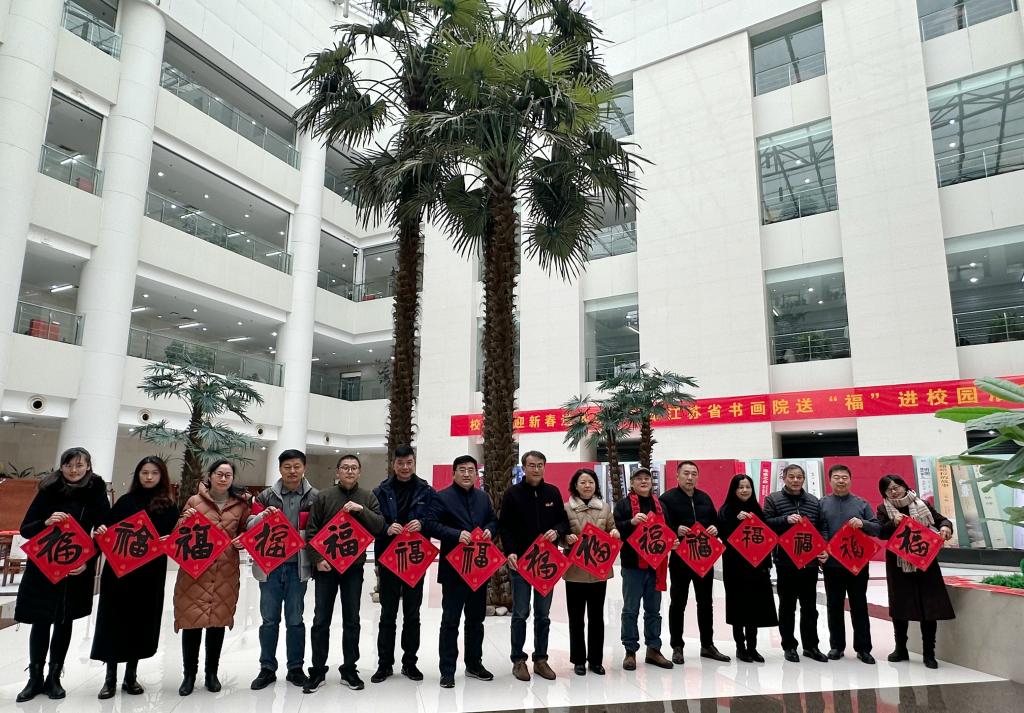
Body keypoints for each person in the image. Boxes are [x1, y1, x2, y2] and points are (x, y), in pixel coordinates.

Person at [15, 447, 110, 702]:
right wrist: (46, 522)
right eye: (69, 465)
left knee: (64, 621)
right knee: (41, 620)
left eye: (79, 465)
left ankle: (54, 677)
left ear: (88, 466)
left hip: (75, 567)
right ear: (62, 466)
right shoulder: (49, 489)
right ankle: (34, 678)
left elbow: (104, 531)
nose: (74, 470)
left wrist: (88, 560)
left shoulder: (96, 491)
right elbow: (26, 529)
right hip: (43, 566)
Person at [91, 456, 178, 699]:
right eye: (144, 472)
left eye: (154, 473)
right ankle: (110, 678)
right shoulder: (125, 501)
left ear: (162, 476)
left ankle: (131, 675)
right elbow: (106, 529)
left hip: (149, 574)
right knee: (113, 621)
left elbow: (175, 536)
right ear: (138, 475)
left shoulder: (168, 505)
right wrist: (101, 530)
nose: (149, 477)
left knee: (140, 622)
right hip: (119, 573)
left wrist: (169, 540)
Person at [304, 454, 385, 693]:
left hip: (353, 568)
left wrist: (361, 510)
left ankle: (349, 668)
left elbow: (379, 526)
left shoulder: (368, 497)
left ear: (359, 472)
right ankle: (318, 670)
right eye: (345, 468)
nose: (349, 471)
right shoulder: (323, 497)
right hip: (326, 568)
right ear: (337, 471)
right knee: (321, 620)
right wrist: (318, 559)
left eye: (354, 468)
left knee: (352, 619)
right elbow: (311, 531)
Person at [173, 459, 251, 696]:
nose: (223, 478)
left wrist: (243, 540)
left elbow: (246, 531)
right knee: (192, 623)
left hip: (225, 571)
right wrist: (184, 520)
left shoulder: (240, 505)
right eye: (219, 474)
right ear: (210, 476)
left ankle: (211, 673)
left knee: (217, 623)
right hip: (195, 572)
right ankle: (189, 675)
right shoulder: (194, 501)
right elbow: (178, 534)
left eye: (228, 475)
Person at [424, 454, 498, 688]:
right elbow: (430, 524)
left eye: (471, 470)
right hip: (454, 570)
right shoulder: (442, 497)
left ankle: (474, 664)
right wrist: (456, 534)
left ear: (476, 474)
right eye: (462, 470)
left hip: (478, 568)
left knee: (476, 620)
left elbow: (493, 520)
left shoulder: (483, 497)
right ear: (453, 473)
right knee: (450, 620)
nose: (467, 474)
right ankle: (447, 670)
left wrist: (490, 530)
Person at [248, 449, 319, 690]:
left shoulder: (315, 497)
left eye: (296, 466)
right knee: (269, 620)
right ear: (280, 469)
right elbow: (250, 526)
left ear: (304, 468)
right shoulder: (265, 496)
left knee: (295, 620)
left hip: (298, 567)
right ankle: (267, 668)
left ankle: (295, 669)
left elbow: (320, 530)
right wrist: (262, 517)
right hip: (270, 568)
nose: (292, 471)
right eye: (287, 467)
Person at [499, 450, 570, 681]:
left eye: (540, 465)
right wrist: (510, 551)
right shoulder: (512, 494)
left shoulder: (553, 492)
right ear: (524, 468)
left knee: (543, 614)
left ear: (544, 467)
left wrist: (557, 531)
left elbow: (563, 521)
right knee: (520, 613)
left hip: (546, 563)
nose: (536, 469)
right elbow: (505, 526)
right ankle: (518, 660)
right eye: (532, 465)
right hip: (521, 562)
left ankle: (540, 659)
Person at [370, 445, 435, 684]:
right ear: (393, 465)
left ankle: (410, 663)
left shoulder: (426, 490)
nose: (405, 467)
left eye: (409, 463)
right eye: (400, 463)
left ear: (414, 463)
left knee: (412, 614)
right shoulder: (380, 491)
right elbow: (372, 521)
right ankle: (384, 664)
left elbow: (436, 517)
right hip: (389, 558)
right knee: (387, 614)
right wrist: (386, 527)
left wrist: (423, 523)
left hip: (415, 559)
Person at [876, 475, 955, 669]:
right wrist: (893, 523)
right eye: (889, 489)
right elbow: (881, 532)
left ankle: (929, 653)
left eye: (897, 487)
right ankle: (900, 648)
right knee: (900, 605)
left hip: (924, 561)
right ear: (884, 493)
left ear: (904, 486)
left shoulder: (921, 503)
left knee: (929, 606)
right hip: (898, 563)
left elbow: (941, 520)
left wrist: (945, 527)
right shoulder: (883, 509)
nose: (894, 491)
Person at [659, 460, 730, 663]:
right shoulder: (667, 499)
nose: (690, 477)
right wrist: (675, 530)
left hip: (703, 558)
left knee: (706, 602)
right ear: (677, 476)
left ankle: (707, 645)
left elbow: (715, 521)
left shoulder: (704, 498)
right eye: (686, 473)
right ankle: (677, 646)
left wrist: (715, 529)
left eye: (693, 474)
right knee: (678, 603)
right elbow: (661, 527)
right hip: (680, 559)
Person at [762, 463, 829, 663]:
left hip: (809, 562)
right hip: (785, 562)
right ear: (784, 478)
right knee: (787, 606)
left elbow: (822, 526)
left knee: (810, 607)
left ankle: (811, 646)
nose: (795, 480)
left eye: (799, 477)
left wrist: (823, 547)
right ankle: (789, 646)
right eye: (791, 476)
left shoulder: (814, 501)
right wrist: (785, 519)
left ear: (804, 479)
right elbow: (765, 524)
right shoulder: (773, 499)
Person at [612, 468, 673, 671]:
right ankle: (630, 650)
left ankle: (653, 649)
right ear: (632, 483)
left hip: (656, 565)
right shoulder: (623, 505)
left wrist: (672, 541)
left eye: (647, 478)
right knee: (630, 609)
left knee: (654, 610)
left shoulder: (660, 505)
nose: (644, 481)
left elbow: (668, 530)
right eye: (639, 479)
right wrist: (631, 522)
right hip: (633, 565)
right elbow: (615, 529)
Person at [819, 463, 881, 664]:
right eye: (836, 477)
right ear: (830, 480)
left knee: (859, 605)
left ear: (850, 480)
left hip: (857, 564)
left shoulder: (861, 504)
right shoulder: (822, 504)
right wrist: (822, 550)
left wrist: (863, 523)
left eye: (844, 477)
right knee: (834, 605)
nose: (841, 481)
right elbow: (819, 529)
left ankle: (863, 649)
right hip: (832, 564)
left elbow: (876, 528)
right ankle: (836, 646)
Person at [563, 467, 619, 676]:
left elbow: (612, 528)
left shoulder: (604, 508)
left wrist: (614, 532)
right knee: (576, 618)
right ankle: (578, 660)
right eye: (583, 482)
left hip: (598, 572)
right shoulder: (566, 508)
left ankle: (596, 660)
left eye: (591, 482)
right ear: (575, 486)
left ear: (596, 485)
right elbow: (560, 534)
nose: (587, 486)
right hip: (575, 572)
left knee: (597, 618)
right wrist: (565, 538)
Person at [717, 474, 778, 663]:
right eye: (740, 487)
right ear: (733, 490)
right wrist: (737, 521)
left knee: (754, 607)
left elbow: (766, 537)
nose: (744, 490)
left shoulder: (757, 509)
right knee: (738, 607)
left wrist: (767, 564)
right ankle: (740, 647)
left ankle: (752, 647)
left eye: (748, 487)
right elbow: (723, 535)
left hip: (756, 568)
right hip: (735, 568)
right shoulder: (726, 510)